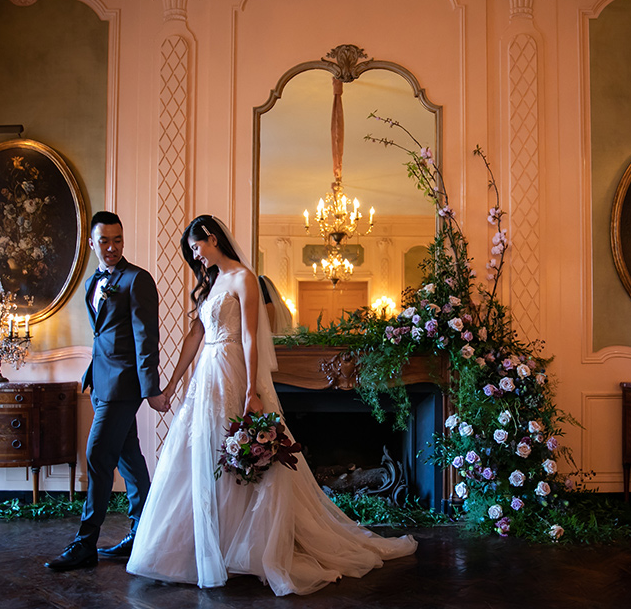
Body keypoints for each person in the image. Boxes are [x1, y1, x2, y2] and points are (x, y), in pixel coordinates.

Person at [126, 215, 416, 594]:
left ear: (211, 238)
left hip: (232, 370)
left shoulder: (243, 278)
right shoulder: (210, 281)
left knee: (236, 454)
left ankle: (243, 547)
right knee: (202, 452)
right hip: (206, 376)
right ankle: (204, 548)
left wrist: (251, 389)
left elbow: (249, 336)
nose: (195, 257)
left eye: (196, 248)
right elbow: (195, 334)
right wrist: (171, 384)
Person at [46, 211, 169, 571]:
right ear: (92, 244)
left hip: (124, 386)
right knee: (129, 458)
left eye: (117, 240)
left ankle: (85, 544)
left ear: (123, 240)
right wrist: (91, 372)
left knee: (97, 456)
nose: (112, 247)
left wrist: (151, 389)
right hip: (101, 382)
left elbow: (146, 339)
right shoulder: (90, 283)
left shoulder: (137, 280)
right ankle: (142, 534)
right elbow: (102, 336)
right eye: (104, 241)